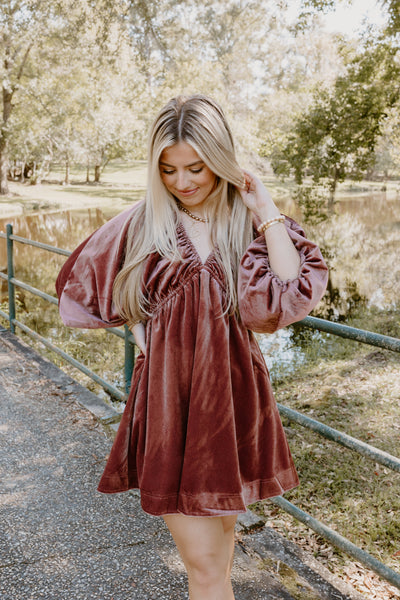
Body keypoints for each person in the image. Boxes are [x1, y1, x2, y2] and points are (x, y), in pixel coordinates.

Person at [56, 94, 328, 600]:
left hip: (231, 401)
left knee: (217, 564)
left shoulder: (243, 222)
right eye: (168, 169)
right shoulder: (145, 220)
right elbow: (85, 277)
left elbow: (287, 299)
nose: (182, 182)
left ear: (220, 160)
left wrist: (264, 209)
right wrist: (137, 328)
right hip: (169, 406)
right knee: (204, 566)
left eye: (197, 168)